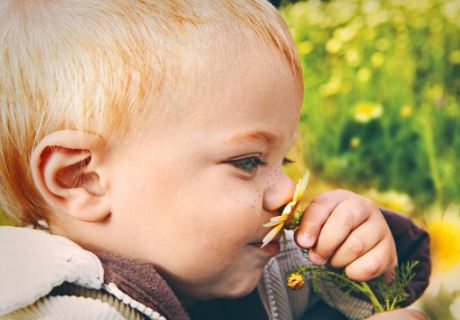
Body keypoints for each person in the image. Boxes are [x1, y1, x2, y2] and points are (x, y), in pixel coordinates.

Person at [0, 0, 430, 319]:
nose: (286, 193)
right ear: (82, 178)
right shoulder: (64, 308)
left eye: (287, 161)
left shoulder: (250, 263)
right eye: (247, 161)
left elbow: (344, 296)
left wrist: (361, 258)